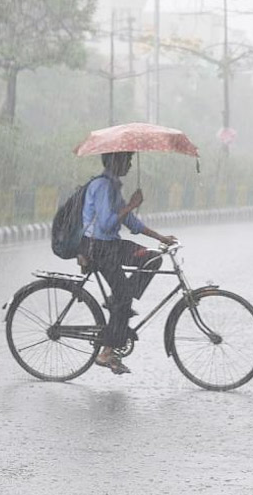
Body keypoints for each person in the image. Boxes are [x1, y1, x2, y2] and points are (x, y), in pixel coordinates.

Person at [81, 151, 175, 375]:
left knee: (152, 257)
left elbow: (130, 222)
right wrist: (132, 204)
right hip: (99, 248)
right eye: (127, 160)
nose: (130, 165)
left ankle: (118, 303)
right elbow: (106, 224)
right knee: (124, 298)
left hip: (111, 245)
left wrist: (159, 238)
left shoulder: (112, 186)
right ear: (115, 161)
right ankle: (107, 352)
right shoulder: (103, 186)